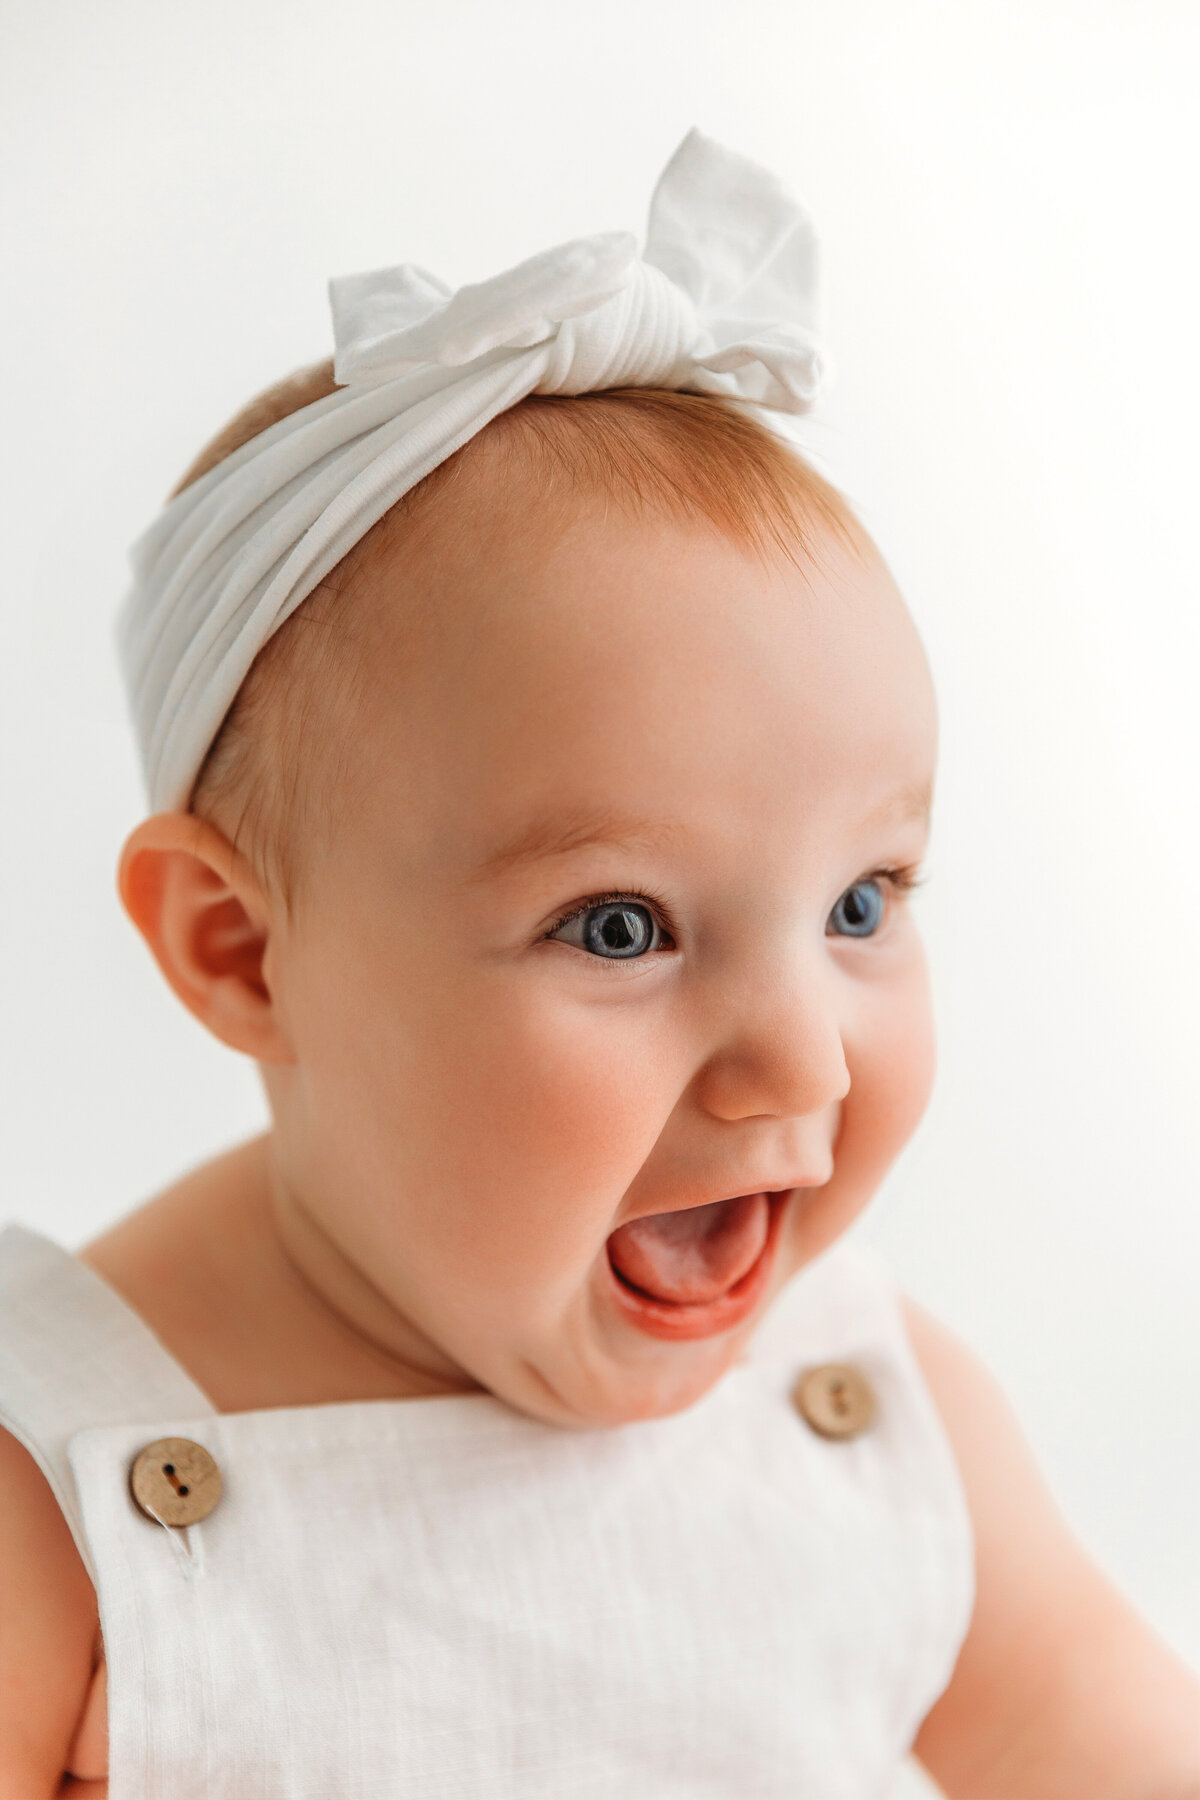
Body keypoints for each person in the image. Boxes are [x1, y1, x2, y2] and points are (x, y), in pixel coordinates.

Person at [0, 131, 1196, 1800]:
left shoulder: (869, 1418)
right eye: (621, 927)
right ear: (243, 953)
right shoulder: (52, 1490)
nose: (805, 1062)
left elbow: (1108, 1740)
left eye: (863, 902)